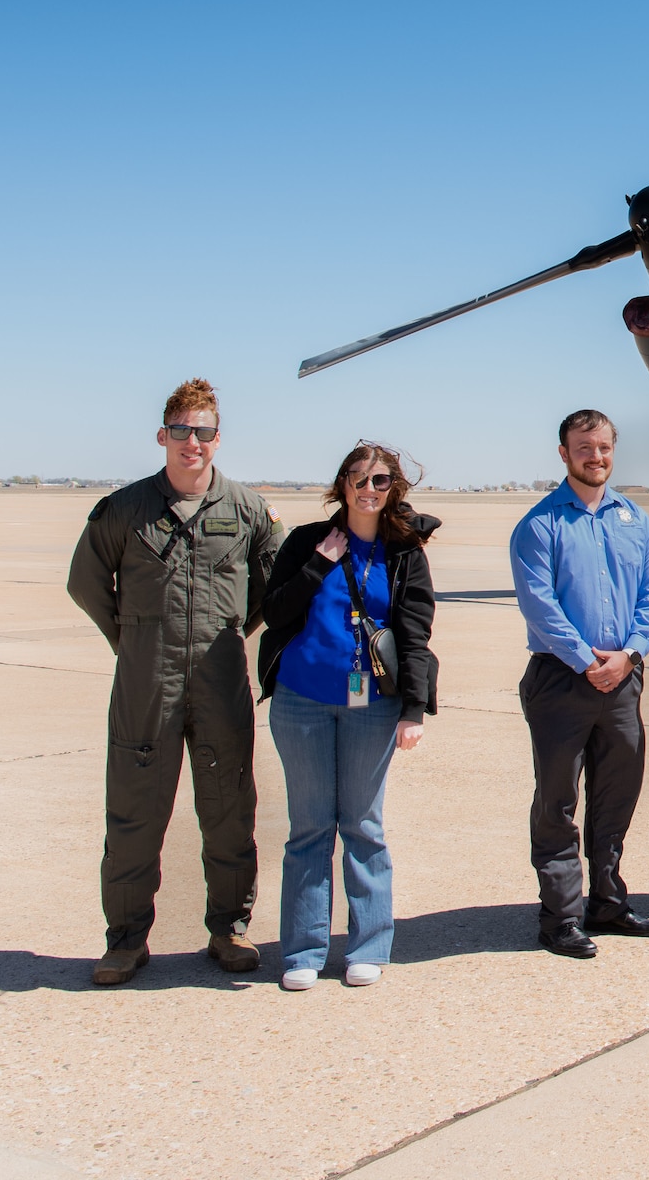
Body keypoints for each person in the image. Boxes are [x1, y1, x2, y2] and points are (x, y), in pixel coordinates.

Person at [67, 378, 284, 986]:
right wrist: (133, 640)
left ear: (218, 439)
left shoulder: (245, 509)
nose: (194, 442)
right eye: (183, 431)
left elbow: (275, 586)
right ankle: (126, 941)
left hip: (220, 681)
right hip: (147, 685)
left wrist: (231, 629)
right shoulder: (125, 509)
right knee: (134, 815)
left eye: (205, 432)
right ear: (163, 436)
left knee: (229, 811)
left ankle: (229, 929)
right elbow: (87, 583)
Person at [257, 442, 439, 989]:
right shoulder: (306, 541)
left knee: (363, 826)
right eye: (358, 478)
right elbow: (274, 612)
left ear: (394, 489)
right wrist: (320, 564)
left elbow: (415, 634)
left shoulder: (404, 553)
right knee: (309, 827)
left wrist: (413, 708)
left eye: (380, 480)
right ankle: (304, 952)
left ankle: (368, 945)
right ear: (341, 485)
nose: (368, 488)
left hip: (370, 705)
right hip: (302, 701)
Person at [510, 409, 649, 959]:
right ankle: (559, 916)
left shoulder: (635, 520)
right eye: (584, 448)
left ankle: (606, 900)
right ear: (563, 454)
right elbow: (541, 606)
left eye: (603, 447)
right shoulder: (539, 525)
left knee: (616, 794)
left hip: (623, 678)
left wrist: (628, 655)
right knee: (557, 801)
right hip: (562, 680)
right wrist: (588, 662)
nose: (595, 457)